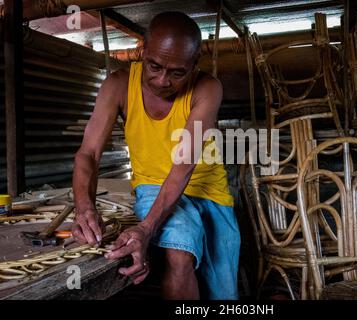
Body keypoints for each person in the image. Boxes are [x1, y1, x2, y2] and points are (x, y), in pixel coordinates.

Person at [71, 11, 240, 300]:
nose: (162, 81)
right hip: (153, 184)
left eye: (177, 72)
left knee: (223, 296)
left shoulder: (208, 87)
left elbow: (183, 166)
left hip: (210, 191)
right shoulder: (118, 85)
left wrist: (146, 228)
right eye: (154, 66)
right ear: (141, 52)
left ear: (194, 64)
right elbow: (88, 153)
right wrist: (84, 206)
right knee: (179, 253)